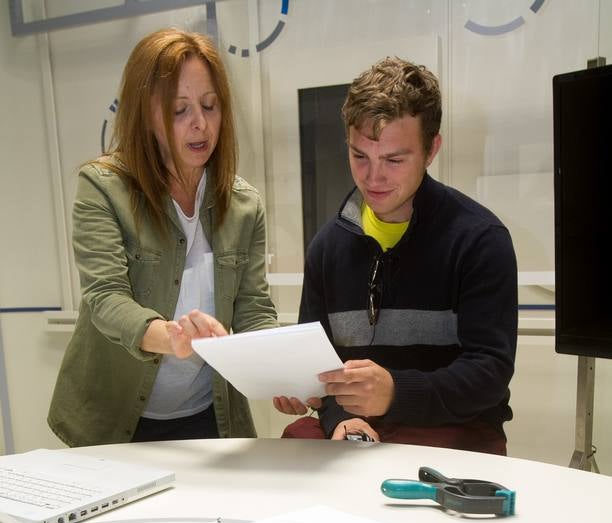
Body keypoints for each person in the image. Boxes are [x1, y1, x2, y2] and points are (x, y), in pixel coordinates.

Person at [274, 57, 517, 454]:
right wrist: (338, 416)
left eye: (394, 160)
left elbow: (489, 373)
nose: (373, 178)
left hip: (454, 436)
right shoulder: (326, 249)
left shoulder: (479, 240)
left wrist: (395, 393)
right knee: (292, 448)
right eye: (360, 156)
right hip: (358, 436)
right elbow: (321, 370)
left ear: (431, 148)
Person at [49, 28, 277, 447]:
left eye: (210, 106)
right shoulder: (103, 187)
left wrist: (279, 368)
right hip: (115, 421)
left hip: (208, 415)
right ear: (146, 113)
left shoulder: (244, 204)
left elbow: (253, 307)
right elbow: (105, 297)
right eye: (180, 110)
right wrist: (170, 336)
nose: (200, 124)